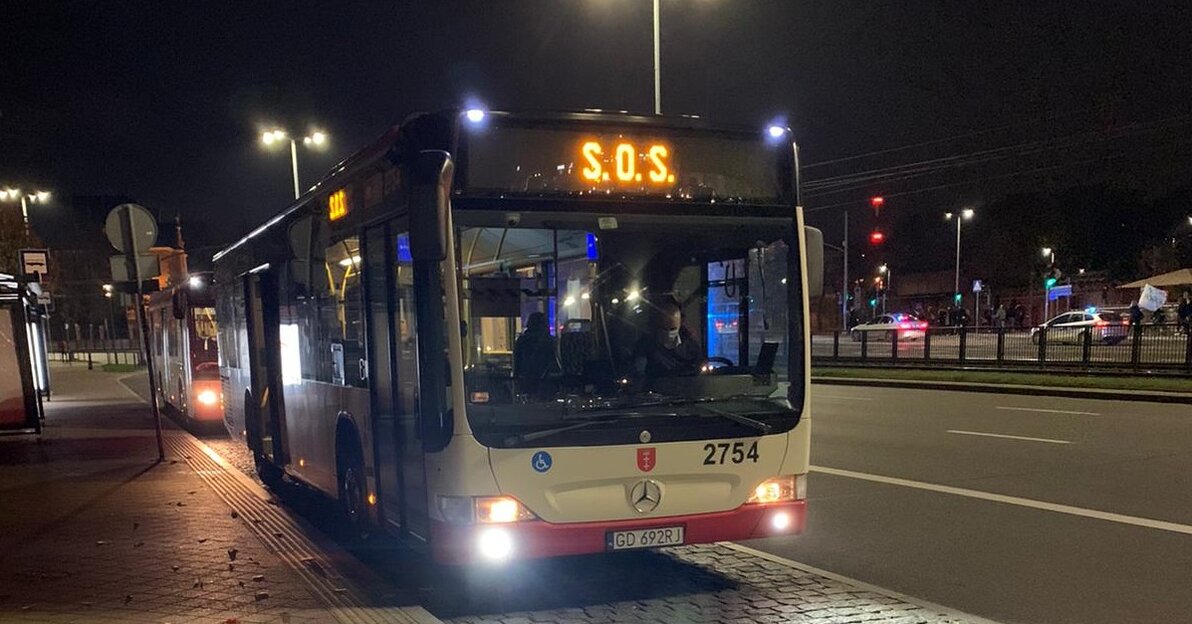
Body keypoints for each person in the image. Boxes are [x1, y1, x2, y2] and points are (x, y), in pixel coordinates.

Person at [634, 298, 704, 377]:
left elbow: (699, 371)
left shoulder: (690, 346)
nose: (668, 333)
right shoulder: (645, 346)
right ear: (657, 324)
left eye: (673, 329)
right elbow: (639, 373)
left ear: (680, 324)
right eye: (664, 328)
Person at [513, 312, 559, 395]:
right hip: (548, 383)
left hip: (526, 382)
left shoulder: (522, 341)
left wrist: (516, 380)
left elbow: (517, 364)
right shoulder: (551, 341)